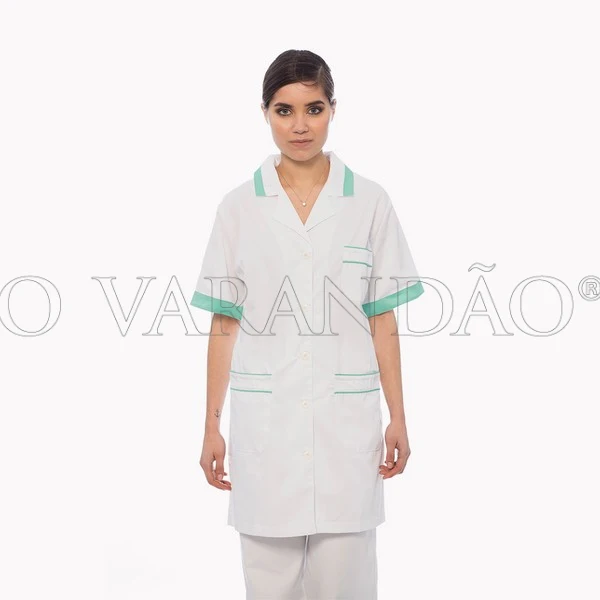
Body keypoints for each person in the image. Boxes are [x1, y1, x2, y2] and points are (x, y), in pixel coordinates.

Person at [190, 49, 425, 600]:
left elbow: (382, 317)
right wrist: (210, 425)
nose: (300, 125)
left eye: (313, 109)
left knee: (346, 585)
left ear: (333, 109)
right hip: (265, 429)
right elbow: (224, 323)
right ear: (265, 113)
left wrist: (398, 416)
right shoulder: (238, 207)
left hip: (346, 430)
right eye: (284, 110)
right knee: (268, 588)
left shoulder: (369, 202)